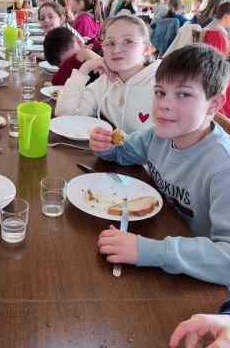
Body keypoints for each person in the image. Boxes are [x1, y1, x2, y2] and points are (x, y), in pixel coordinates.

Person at [94, 44, 230, 286]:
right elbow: (122, 152)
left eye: (183, 94)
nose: (164, 104)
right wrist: (105, 146)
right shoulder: (158, 136)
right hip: (163, 234)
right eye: (160, 92)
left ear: (213, 103)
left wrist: (148, 250)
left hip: (202, 283)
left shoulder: (223, 168)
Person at [56, 15, 158, 133]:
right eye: (110, 43)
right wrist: (85, 68)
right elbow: (65, 114)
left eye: (128, 41)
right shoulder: (105, 82)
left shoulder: (161, 84)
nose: (116, 50)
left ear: (146, 49)